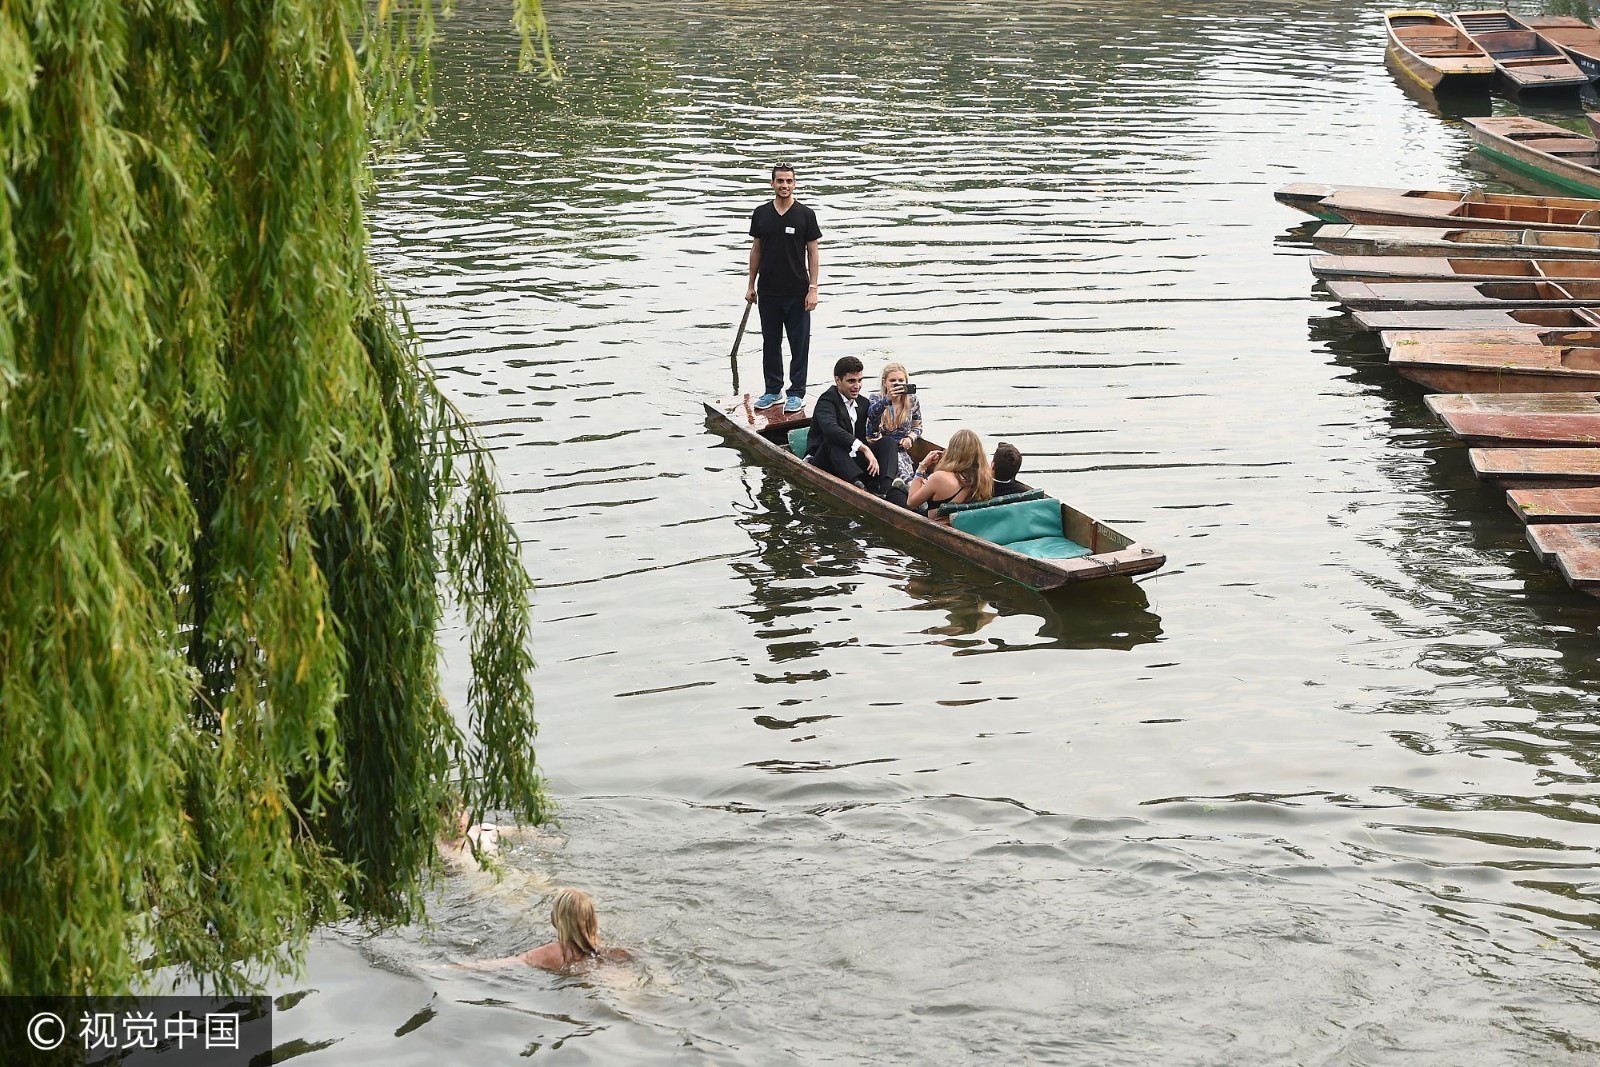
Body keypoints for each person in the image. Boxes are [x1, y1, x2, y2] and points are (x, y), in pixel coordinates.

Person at [746, 163, 821, 416]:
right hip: (768, 291)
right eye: (780, 181)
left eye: (789, 181)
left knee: (799, 344)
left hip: (797, 292)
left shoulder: (805, 214)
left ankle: (797, 392)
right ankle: (773, 389)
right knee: (770, 342)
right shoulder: (761, 213)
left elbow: (813, 252)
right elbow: (756, 249)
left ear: (795, 184)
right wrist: (750, 285)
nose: (784, 186)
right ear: (772, 184)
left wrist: (813, 288)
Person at [476, 888, 630, 972]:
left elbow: (505, 964)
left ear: (559, 919)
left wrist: (457, 967)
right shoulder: (603, 948)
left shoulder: (551, 952)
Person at [805, 356, 897, 496]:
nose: (857, 386)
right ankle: (859, 489)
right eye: (851, 381)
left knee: (888, 443)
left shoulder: (863, 403)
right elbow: (831, 429)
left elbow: (873, 427)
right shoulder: (827, 401)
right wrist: (864, 448)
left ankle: (886, 490)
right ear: (838, 380)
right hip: (826, 461)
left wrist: (889, 401)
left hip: (852, 460)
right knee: (832, 441)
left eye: (860, 380)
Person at [906, 428, 993, 519]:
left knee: (896, 493)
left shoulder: (939, 477)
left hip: (933, 525)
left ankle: (905, 487)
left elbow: (911, 502)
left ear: (951, 451)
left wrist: (921, 467)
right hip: (963, 523)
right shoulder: (984, 478)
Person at [866, 363, 923, 484]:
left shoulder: (912, 400)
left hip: (901, 450)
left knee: (904, 467)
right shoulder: (876, 399)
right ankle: (910, 487)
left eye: (901, 380)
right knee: (898, 466)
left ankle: (911, 487)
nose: (897, 384)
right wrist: (887, 400)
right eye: (892, 380)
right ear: (885, 382)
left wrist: (910, 438)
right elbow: (872, 418)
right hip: (882, 449)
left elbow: (917, 426)